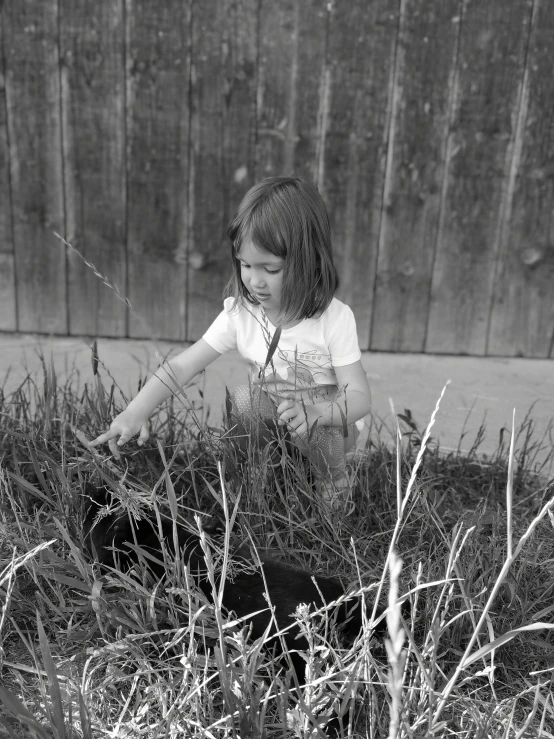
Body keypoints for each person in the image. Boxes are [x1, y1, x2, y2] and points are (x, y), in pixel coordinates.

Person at [90, 177, 371, 507]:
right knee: (245, 400)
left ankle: (333, 475)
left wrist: (317, 412)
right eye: (246, 264)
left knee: (320, 428)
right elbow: (182, 365)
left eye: (270, 268)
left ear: (308, 259)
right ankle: (256, 471)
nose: (254, 280)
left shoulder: (333, 319)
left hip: (330, 426)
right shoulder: (241, 314)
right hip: (277, 420)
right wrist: (136, 410)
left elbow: (360, 397)